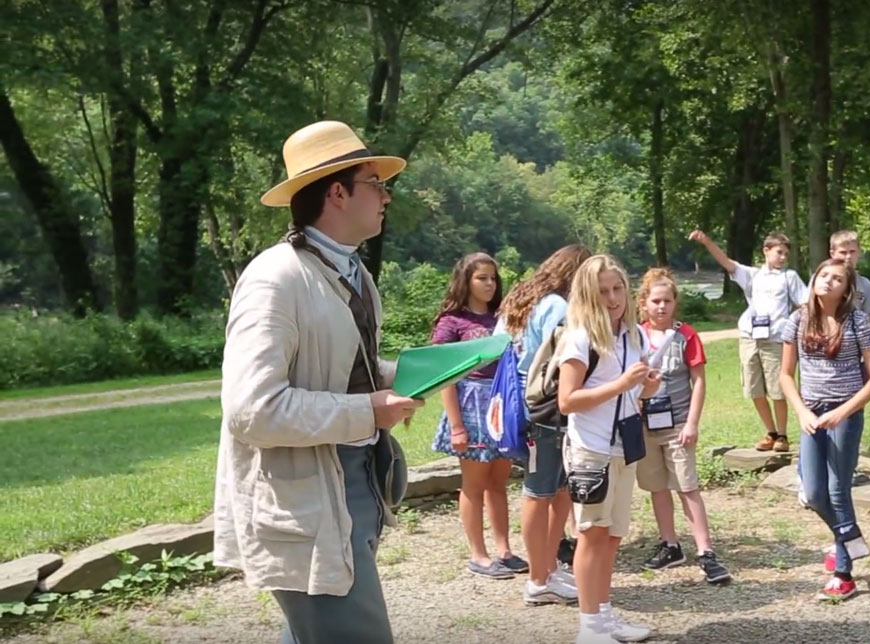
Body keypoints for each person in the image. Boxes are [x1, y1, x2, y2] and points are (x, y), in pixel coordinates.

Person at [216, 121, 425, 643]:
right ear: (337, 192)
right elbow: (252, 411)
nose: (387, 197)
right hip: (304, 498)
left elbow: (346, 370)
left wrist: (418, 375)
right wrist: (368, 412)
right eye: (376, 184)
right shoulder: (275, 279)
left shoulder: (353, 272)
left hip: (356, 484)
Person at [558, 255, 661, 644]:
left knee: (613, 535)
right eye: (603, 291)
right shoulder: (581, 337)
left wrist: (646, 386)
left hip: (624, 446)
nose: (613, 297)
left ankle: (603, 615)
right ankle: (589, 627)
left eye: (617, 288)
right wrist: (621, 384)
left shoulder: (633, 334)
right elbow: (567, 401)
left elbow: (635, 394)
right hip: (592, 450)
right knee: (591, 534)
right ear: (588, 294)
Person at [779, 259, 870, 601]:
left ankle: (844, 572)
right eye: (823, 275)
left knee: (839, 490)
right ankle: (849, 537)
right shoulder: (797, 319)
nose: (827, 281)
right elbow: (785, 375)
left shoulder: (858, 322)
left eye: (836, 278)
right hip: (811, 415)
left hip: (845, 415)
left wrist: (843, 411)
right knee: (812, 492)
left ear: (847, 288)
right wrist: (801, 412)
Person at [495, 244, 592, 605]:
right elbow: (567, 357)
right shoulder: (556, 306)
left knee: (557, 488)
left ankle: (547, 566)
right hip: (545, 407)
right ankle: (539, 579)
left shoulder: (518, 301)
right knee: (540, 491)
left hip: (518, 403)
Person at [430, 252, 526, 579]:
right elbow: (444, 376)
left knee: (499, 481)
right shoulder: (452, 321)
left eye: (493, 278)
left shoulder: (503, 317)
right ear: (466, 281)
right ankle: (478, 553)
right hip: (469, 404)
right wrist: (457, 426)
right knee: (474, 483)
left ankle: (504, 549)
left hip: (501, 403)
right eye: (481, 278)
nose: (489, 284)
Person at [635, 268, 732, 585]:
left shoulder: (686, 335)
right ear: (644, 303)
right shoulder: (635, 336)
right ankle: (670, 544)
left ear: (675, 303)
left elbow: (699, 381)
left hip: (677, 423)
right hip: (644, 424)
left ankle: (705, 551)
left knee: (687, 487)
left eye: (667, 301)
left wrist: (692, 422)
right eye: (655, 301)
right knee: (657, 486)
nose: (661, 307)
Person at [689, 229, 807, 453]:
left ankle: (782, 435)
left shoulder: (789, 277)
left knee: (778, 389)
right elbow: (726, 262)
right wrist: (706, 241)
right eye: (779, 252)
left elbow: (805, 302)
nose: (782, 257)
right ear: (766, 251)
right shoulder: (752, 275)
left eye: (785, 254)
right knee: (755, 388)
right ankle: (770, 432)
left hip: (775, 340)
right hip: (749, 338)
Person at [828, 230, 870, 314]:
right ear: (832, 254)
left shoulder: (865, 284)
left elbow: (868, 317)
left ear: (858, 252)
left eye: (852, 252)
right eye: (843, 252)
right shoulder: (822, 281)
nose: (848, 257)